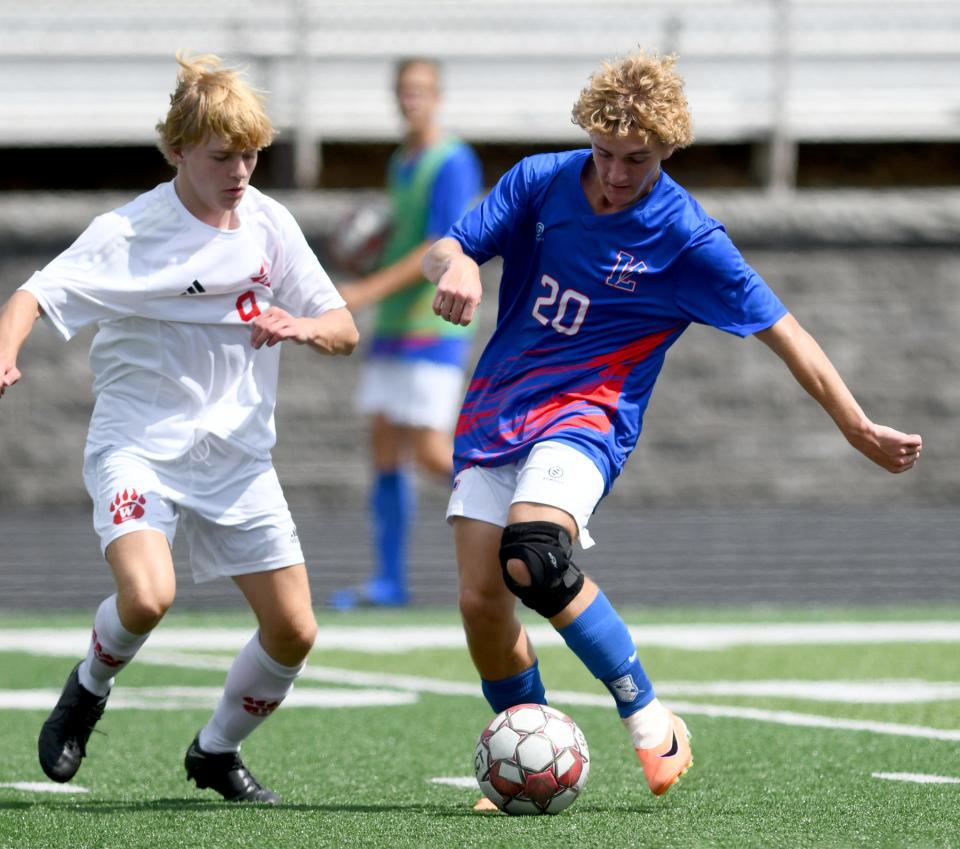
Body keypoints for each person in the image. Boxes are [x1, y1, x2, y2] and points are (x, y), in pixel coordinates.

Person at [422, 51, 923, 804]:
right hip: (499, 406)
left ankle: (650, 714)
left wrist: (854, 423)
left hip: (588, 416)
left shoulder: (686, 235)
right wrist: (456, 264)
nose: (618, 173)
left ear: (668, 149)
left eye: (639, 159)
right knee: (480, 600)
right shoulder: (540, 181)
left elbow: (785, 330)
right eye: (606, 154)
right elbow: (446, 246)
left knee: (532, 554)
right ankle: (530, 753)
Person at [0, 53, 358, 803]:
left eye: (252, 155)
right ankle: (88, 689)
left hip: (238, 457)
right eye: (222, 156)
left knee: (295, 630)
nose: (240, 172)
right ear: (177, 152)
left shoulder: (270, 223)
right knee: (148, 595)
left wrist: (302, 326)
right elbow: (31, 294)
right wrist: (5, 352)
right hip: (140, 448)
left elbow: (343, 326)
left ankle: (215, 749)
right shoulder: (128, 231)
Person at [328, 57, 482, 609]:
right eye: (404, 90)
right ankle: (390, 580)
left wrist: (364, 291)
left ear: (438, 96)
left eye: (421, 90)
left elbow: (437, 246)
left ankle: (521, 517)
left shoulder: (452, 160)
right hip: (395, 325)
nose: (411, 99)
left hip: (430, 324)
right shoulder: (403, 161)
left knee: (432, 453)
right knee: (385, 448)